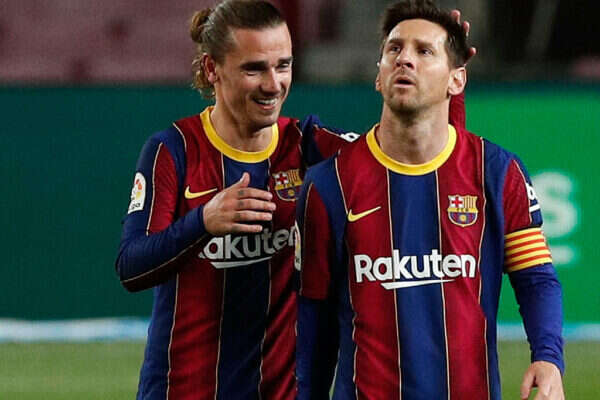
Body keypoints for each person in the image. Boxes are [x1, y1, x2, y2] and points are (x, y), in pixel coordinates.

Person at [116, 0, 467, 399]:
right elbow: (132, 266)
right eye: (254, 69)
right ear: (213, 69)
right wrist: (204, 221)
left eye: (283, 66)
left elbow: (418, 167)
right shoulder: (174, 150)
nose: (273, 84)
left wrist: (448, 83)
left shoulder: (308, 146)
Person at [295, 1, 565, 400]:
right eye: (394, 49)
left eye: (424, 51)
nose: (404, 59)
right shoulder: (328, 183)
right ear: (378, 76)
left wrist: (548, 358)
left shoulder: (497, 172)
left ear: (457, 80)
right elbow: (314, 322)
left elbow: (536, 278)